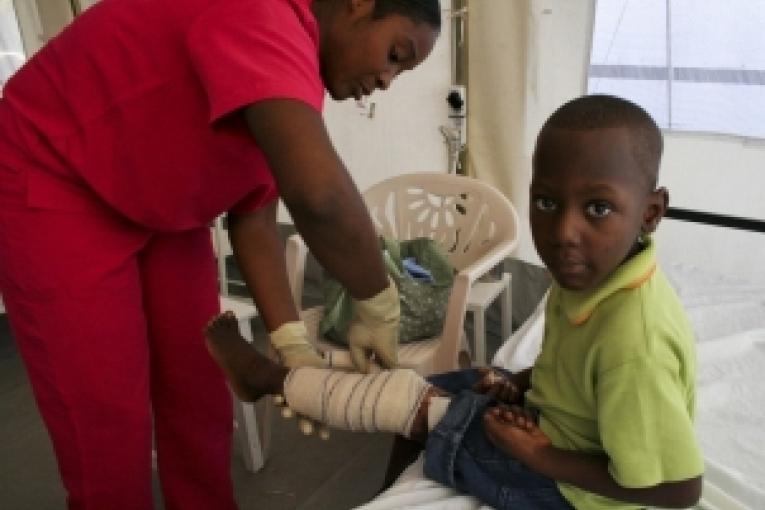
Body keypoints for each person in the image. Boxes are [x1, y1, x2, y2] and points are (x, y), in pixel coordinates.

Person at [0, 0, 440, 508]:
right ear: (359, 6)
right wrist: (378, 298)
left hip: (152, 196)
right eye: (395, 55)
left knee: (198, 387)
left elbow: (253, 213)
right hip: (56, 173)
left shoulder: (292, 70)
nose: (387, 80)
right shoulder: (261, 13)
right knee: (105, 416)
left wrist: (292, 343)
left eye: (402, 72)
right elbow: (318, 196)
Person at [205, 94, 705, 510]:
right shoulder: (590, 278)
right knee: (428, 387)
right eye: (547, 202)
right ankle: (389, 488)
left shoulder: (634, 342)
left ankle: (270, 379)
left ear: (651, 213)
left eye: (598, 208)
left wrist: (539, 456)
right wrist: (520, 381)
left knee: (411, 406)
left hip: (576, 490)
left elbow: (679, 490)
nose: (563, 233)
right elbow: (571, 365)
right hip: (558, 422)